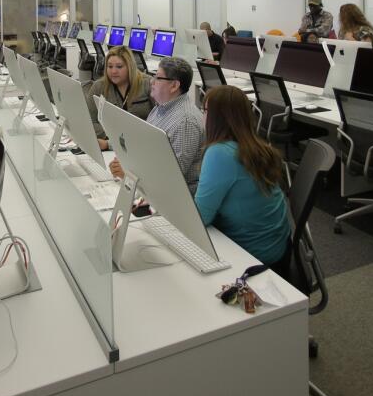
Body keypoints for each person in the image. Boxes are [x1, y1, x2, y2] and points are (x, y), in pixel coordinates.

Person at [195, 85, 292, 268]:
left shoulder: (219, 153)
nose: (203, 116)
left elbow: (200, 218)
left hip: (254, 257)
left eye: (205, 110)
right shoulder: (255, 145)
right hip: (278, 247)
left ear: (218, 118)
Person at [110, 57, 205, 191]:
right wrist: (127, 163)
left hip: (173, 198)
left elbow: (172, 176)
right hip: (150, 187)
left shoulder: (185, 122)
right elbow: (148, 149)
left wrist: (128, 173)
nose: (151, 81)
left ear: (174, 86)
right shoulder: (160, 108)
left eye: (158, 78)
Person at [89, 46, 153, 143]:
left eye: (119, 67)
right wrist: (116, 138)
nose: (113, 71)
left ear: (130, 66)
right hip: (109, 142)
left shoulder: (148, 84)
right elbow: (90, 120)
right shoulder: (99, 87)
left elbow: (160, 120)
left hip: (143, 142)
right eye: (110, 67)